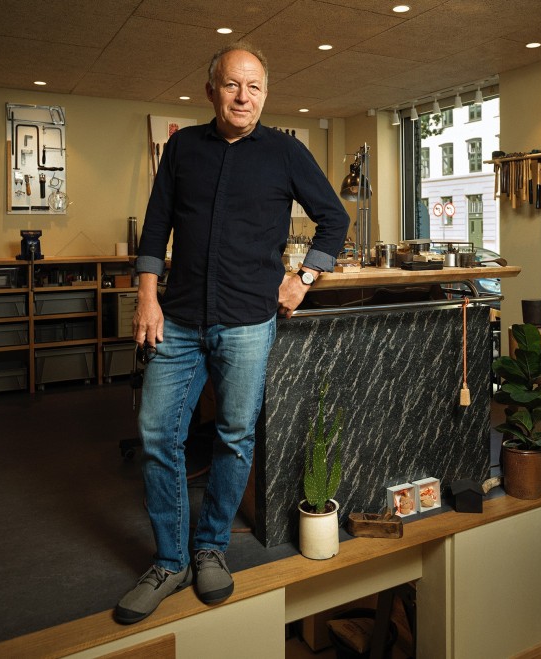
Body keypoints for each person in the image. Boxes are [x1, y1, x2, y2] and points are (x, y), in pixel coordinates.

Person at [114, 41, 349, 625]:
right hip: (181, 318)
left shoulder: (286, 152)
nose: (244, 97)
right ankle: (170, 560)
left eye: (255, 87)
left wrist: (304, 279)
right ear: (211, 90)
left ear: (265, 95)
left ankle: (211, 547)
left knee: (236, 436)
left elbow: (334, 218)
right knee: (155, 436)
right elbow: (156, 226)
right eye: (232, 85)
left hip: (249, 321)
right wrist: (146, 298)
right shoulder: (183, 147)